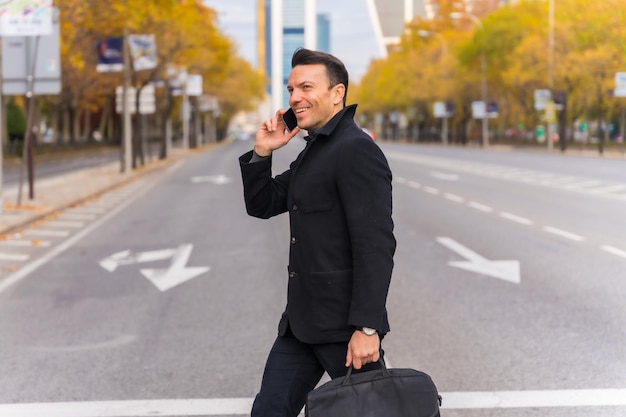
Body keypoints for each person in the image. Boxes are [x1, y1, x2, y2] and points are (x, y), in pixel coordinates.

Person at [238, 48, 396, 417]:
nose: (295, 97)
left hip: (344, 329)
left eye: (306, 87)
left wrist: (368, 328)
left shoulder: (355, 150)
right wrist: (263, 152)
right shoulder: (316, 150)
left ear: (337, 93)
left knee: (377, 412)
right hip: (301, 326)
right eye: (291, 89)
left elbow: (376, 245)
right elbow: (263, 204)